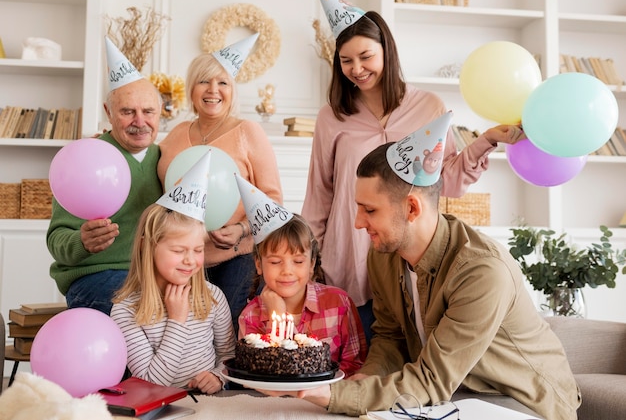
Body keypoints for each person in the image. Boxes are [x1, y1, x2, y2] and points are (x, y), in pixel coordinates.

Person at [273, 114, 580, 420]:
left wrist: (337, 395)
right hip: (458, 393)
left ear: (411, 208)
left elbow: (432, 380)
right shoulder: (383, 256)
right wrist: (368, 378)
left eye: (369, 210)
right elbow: (390, 337)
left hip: (520, 400)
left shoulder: (481, 272)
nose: (358, 222)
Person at [302, 0, 525, 342]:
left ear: (386, 52)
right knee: (355, 364)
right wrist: (309, 261)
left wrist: (487, 141)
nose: (357, 69)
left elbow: (446, 181)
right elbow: (319, 194)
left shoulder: (427, 106)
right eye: (346, 60)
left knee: (408, 364)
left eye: (366, 56)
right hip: (348, 258)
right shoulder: (332, 117)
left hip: (409, 256)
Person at [157, 34, 283, 331]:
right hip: (181, 260)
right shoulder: (176, 135)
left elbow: (273, 202)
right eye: (204, 82)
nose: (213, 90)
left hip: (235, 257)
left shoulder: (248, 131)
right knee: (184, 336)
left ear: (232, 91)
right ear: (191, 89)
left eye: (223, 83)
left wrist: (241, 229)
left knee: (226, 336)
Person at [47, 37, 163, 315]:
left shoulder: (166, 158)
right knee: (143, 312)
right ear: (108, 112)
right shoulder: (85, 160)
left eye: (148, 111)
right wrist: (82, 243)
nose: (140, 121)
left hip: (154, 276)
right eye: (127, 112)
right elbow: (56, 238)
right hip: (96, 276)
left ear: (160, 113)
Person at [111, 152, 236, 393]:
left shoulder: (213, 298)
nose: (190, 261)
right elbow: (151, 383)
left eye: (198, 250)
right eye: (179, 250)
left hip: (209, 406)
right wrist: (177, 320)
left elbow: (228, 357)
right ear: (149, 245)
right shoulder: (126, 310)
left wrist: (218, 376)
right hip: (159, 407)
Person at [234, 173, 367, 377]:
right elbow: (260, 374)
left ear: (311, 263)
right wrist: (277, 316)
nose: (287, 270)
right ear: (258, 264)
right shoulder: (251, 316)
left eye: (298, 261)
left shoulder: (339, 304)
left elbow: (355, 364)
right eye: (276, 262)